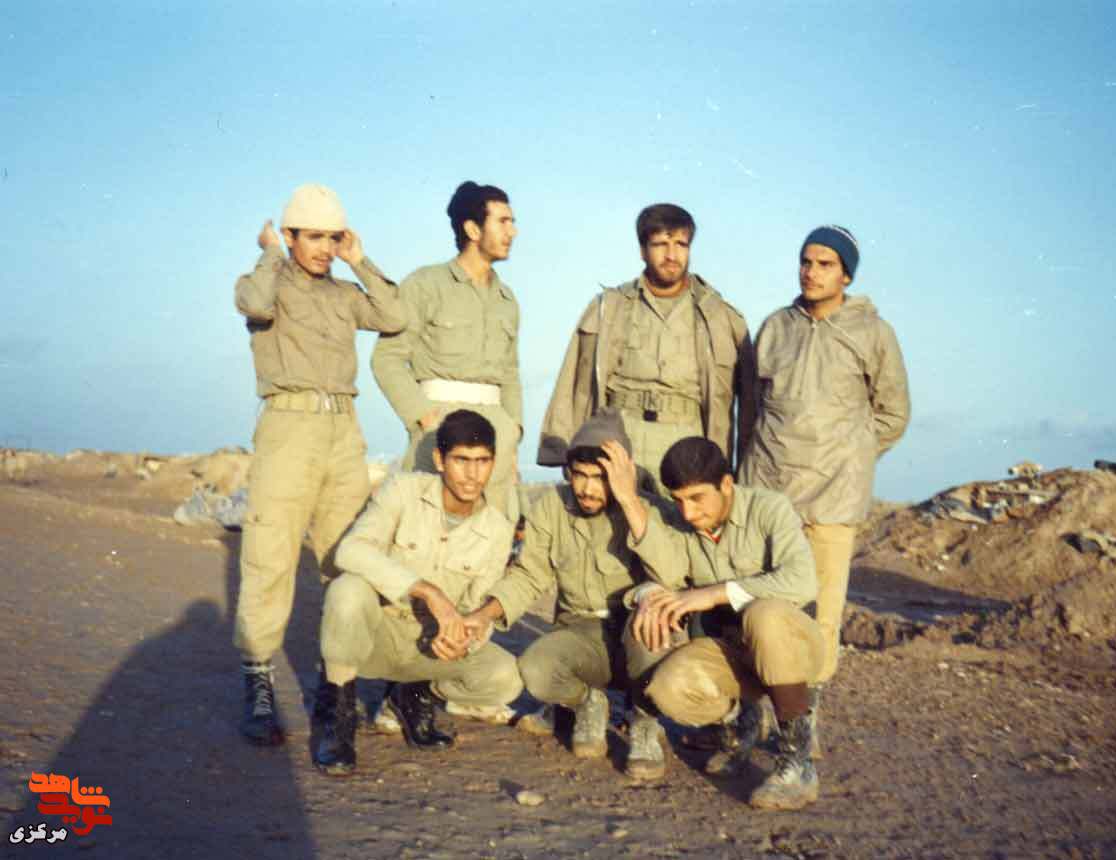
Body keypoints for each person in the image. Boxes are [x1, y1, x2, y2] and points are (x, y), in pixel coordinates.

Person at [233, 184, 405, 747]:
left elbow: (394, 314)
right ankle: (259, 680)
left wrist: (360, 260)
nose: (325, 248)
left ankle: (337, 687)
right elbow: (254, 305)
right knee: (270, 557)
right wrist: (269, 254)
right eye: (314, 237)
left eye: (333, 237)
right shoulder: (267, 281)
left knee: (346, 556)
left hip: (343, 432)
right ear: (289, 236)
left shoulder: (343, 292)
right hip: (288, 427)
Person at [738, 225, 910, 742]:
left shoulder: (873, 333)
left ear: (846, 275)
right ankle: (748, 714)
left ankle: (802, 726)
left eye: (825, 264)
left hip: (833, 498)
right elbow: (752, 409)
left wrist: (851, 456)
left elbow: (893, 413)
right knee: (755, 605)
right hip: (768, 491)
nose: (811, 272)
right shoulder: (776, 327)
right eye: (806, 261)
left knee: (821, 613)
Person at [606, 436, 824, 809]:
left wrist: (714, 593)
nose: (688, 513)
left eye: (697, 498)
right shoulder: (683, 524)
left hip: (793, 651)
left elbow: (802, 582)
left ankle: (797, 764)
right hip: (736, 653)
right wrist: (628, 502)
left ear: (726, 484)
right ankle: (741, 720)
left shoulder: (769, 509)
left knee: (764, 614)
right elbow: (668, 575)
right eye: (678, 500)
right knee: (667, 688)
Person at [462, 413, 674, 778]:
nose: (587, 489)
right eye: (580, 475)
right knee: (535, 669)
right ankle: (587, 701)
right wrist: (485, 614)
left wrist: (628, 499)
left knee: (654, 626)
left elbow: (670, 575)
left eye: (600, 478)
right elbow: (529, 575)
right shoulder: (551, 508)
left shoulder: (646, 509)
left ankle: (644, 720)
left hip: (634, 634)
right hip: (580, 631)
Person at [313, 410, 522, 776]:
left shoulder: (498, 529)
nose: (473, 474)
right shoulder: (403, 490)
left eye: (482, 461)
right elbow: (350, 551)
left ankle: (411, 694)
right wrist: (425, 590)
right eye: (461, 460)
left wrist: (465, 638)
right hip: (378, 634)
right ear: (440, 460)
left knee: (506, 677)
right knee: (347, 590)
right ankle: (339, 715)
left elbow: (477, 606)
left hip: (429, 646)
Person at [537, 203, 756, 496]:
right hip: (619, 433)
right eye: (660, 244)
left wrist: (743, 470)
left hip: (689, 437)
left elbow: (750, 406)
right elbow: (573, 380)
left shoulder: (721, 317)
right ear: (642, 250)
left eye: (681, 244)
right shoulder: (609, 307)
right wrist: (564, 449)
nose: (672, 255)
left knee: (680, 522)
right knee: (614, 520)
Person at [371, 181, 522, 522]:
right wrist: (423, 418)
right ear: (472, 229)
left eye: (512, 222)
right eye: (503, 221)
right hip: (440, 426)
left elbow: (511, 374)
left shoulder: (507, 300)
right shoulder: (425, 285)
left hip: (496, 431)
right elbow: (386, 358)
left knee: (494, 528)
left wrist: (513, 431)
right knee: (429, 527)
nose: (512, 231)